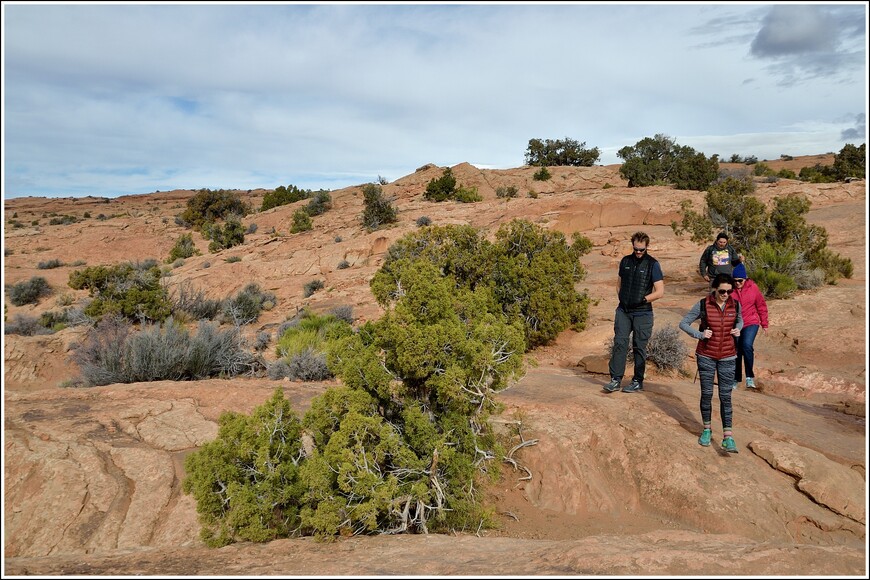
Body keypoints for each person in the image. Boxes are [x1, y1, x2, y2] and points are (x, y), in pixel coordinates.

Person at [679, 273, 743, 452]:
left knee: (725, 397)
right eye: (722, 291)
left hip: (728, 356)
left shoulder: (735, 304)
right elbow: (683, 323)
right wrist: (699, 335)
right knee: (707, 394)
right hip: (706, 355)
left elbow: (740, 319)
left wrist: (738, 328)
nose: (725, 294)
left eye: (729, 291)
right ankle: (706, 430)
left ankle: (728, 437)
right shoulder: (703, 304)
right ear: (715, 288)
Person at [604, 232, 665, 394]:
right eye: (636, 249)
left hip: (643, 313)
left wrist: (643, 300)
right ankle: (615, 380)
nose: (638, 252)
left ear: (647, 247)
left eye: (642, 250)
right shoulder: (625, 261)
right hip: (623, 311)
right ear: (632, 246)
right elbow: (619, 285)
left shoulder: (653, 264)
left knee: (639, 346)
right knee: (620, 343)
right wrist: (624, 300)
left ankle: (637, 381)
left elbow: (660, 292)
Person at [730, 263, 768, 390]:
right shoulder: (729, 290)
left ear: (745, 279)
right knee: (736, 350)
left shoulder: (753, 288)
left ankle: (749, 377)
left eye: (740, 281)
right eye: (735, 281)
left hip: (751, 322)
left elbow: (761, 305)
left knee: (746, 345)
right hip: (735, 325)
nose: (737, 283)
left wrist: (764, 324)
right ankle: (736, 378)